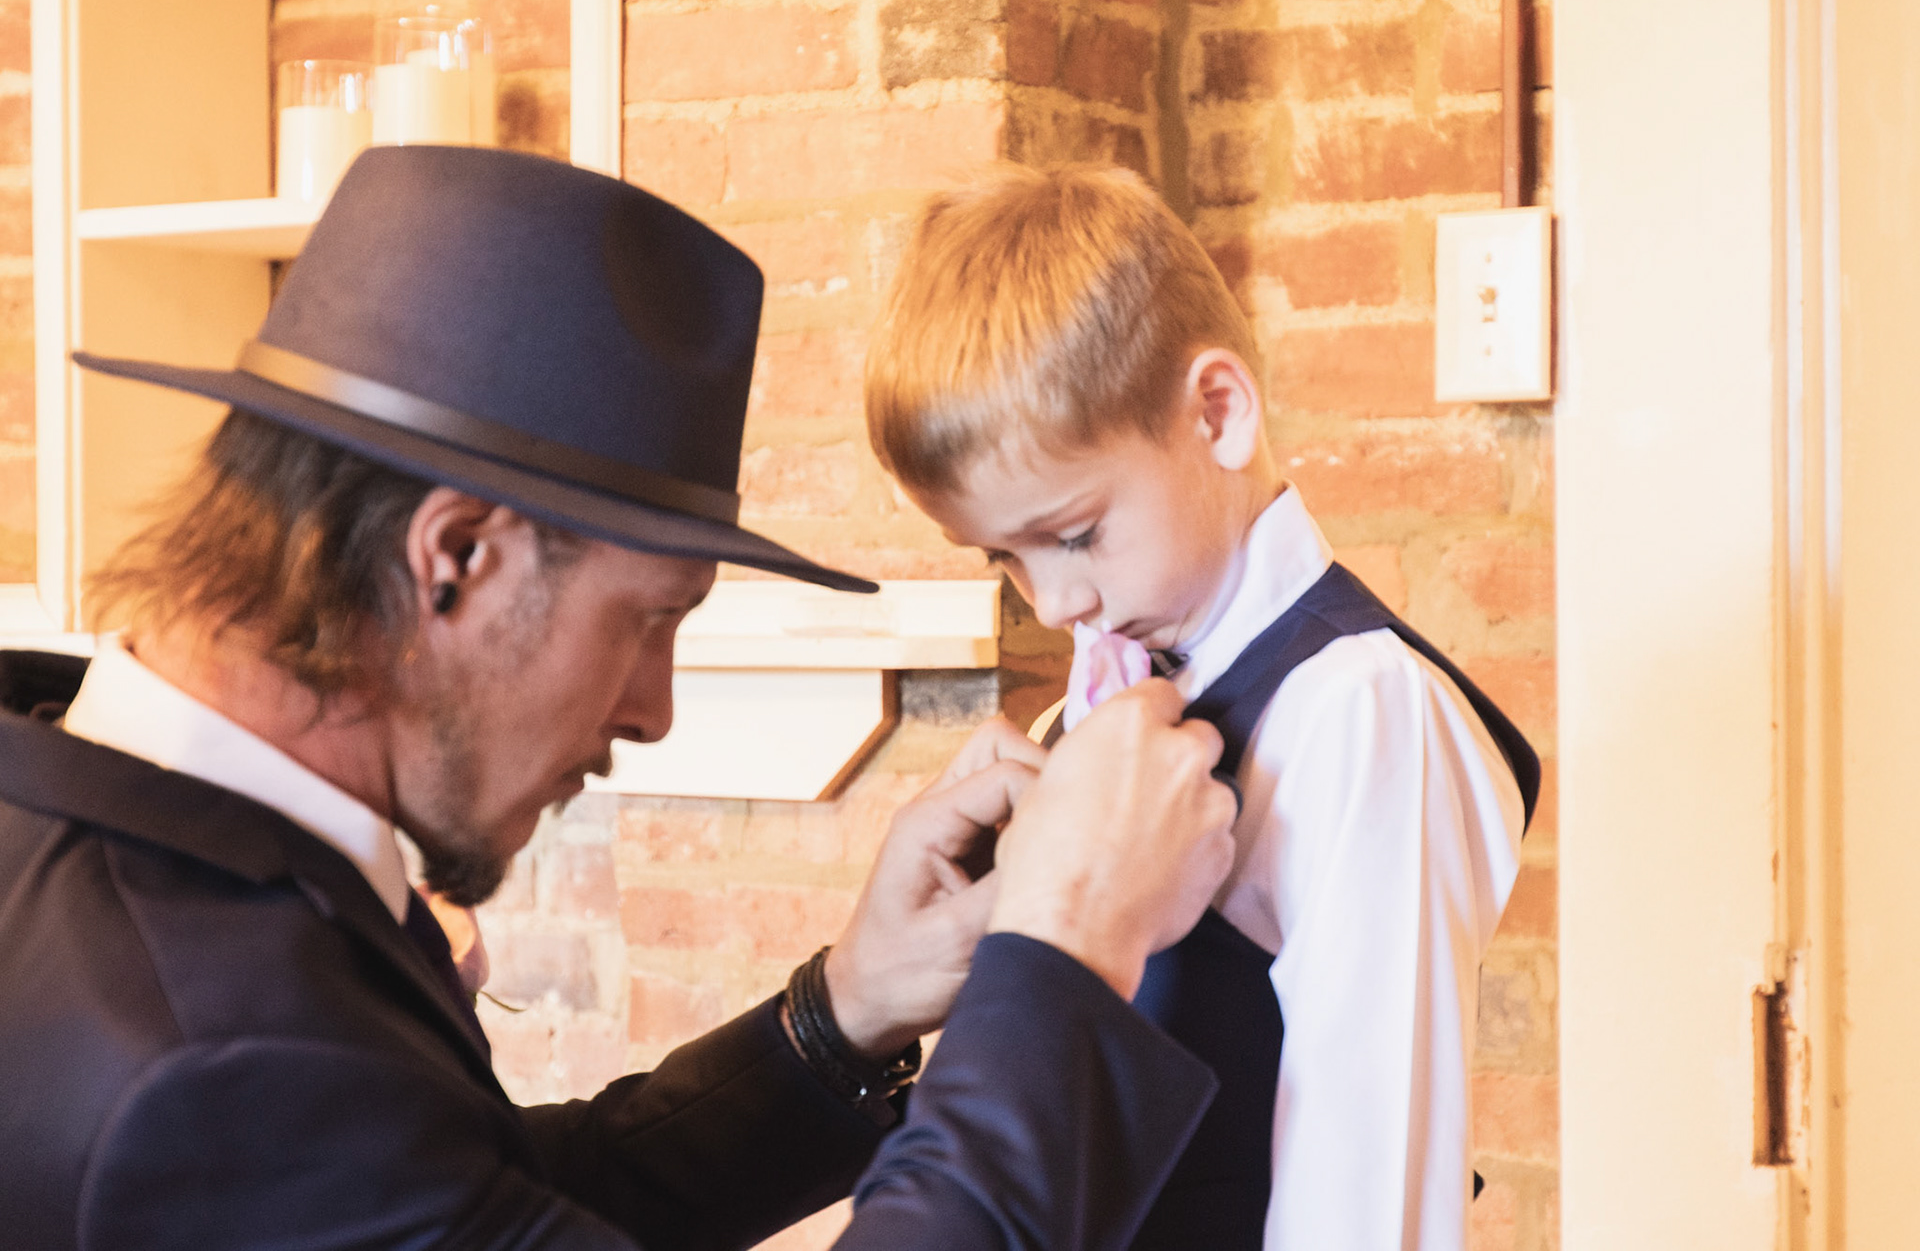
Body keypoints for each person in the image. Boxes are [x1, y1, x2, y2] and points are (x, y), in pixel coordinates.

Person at [0, 146, 1242, 1249]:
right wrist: (1067, 949)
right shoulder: (213, 1061)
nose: (654, 711)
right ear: (456, 557)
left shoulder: (83, 843)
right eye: (651, 619)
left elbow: (497, 1203)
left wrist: (843, 1010)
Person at [864, 163, 1542, 1250]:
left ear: (1217, 413)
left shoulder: (1359, 712)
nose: (1053, 602)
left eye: (1075, 535)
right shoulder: (1093, 710)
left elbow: (1365, 1195)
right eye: (1003, 558)